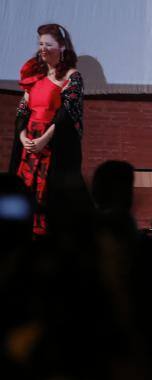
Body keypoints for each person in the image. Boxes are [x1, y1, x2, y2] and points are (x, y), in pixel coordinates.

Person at [9, 23, 83, 236]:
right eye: (40, 44)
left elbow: (68, 114)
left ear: (61, 47)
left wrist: (45, 140)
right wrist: (23, 137)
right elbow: (23, 110)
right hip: (29, 144)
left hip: (53, 146)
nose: (42, 48)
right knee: (24, 193)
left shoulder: (72, 76)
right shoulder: (35, 77)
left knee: (49, 197)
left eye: (48, 44)